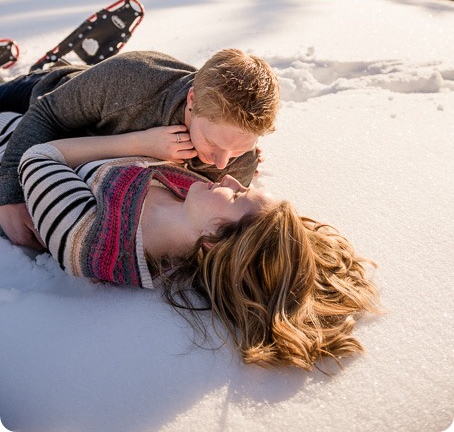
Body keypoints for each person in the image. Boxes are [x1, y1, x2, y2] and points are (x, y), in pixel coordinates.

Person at [0, 112, 381, 371]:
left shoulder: (91, 240)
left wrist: (142, 143)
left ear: (214, 243)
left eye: (237, 196)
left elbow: (38, 155)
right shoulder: (193, 201)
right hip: (67, 123)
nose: (232, 181)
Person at [0, 48, 281, 249]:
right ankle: (45, 68)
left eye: (237, 150)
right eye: (212, 143)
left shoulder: (239, 160)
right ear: (192, 101)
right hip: (45, 96)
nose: (222, 165)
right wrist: (9, 197)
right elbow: (46, 113)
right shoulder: (132, 80)